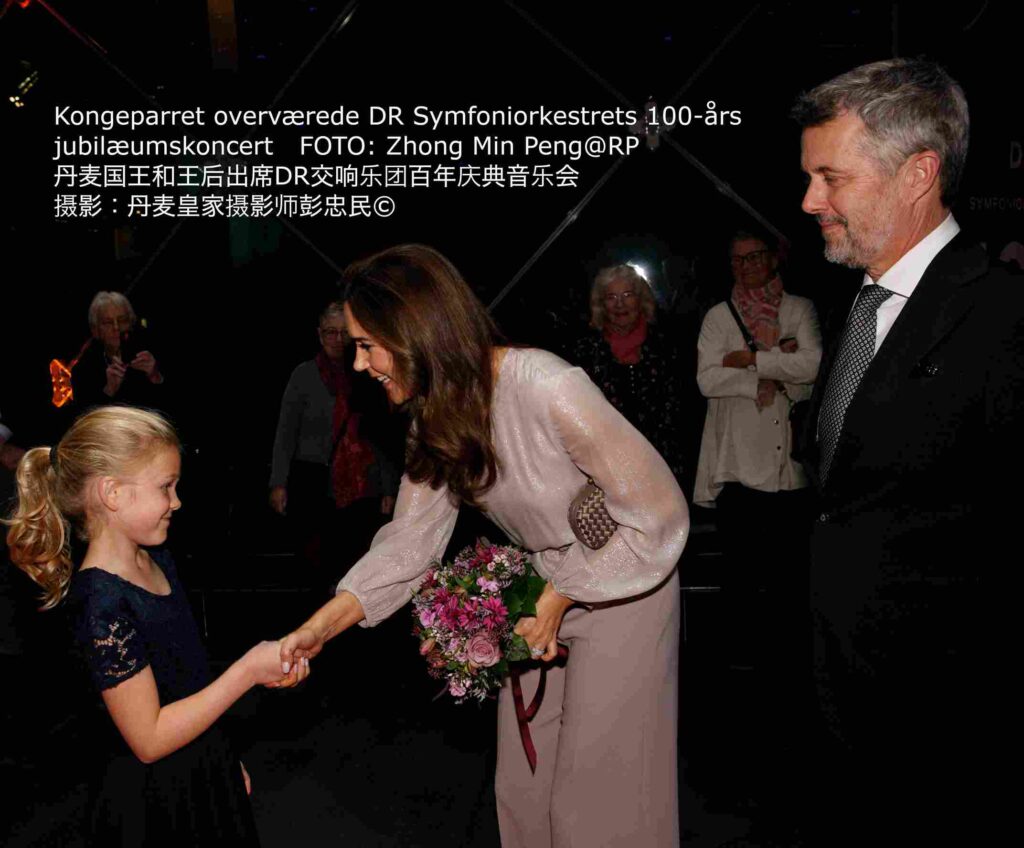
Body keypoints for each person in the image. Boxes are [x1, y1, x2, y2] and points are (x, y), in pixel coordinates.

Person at [276, 244, 689, 848]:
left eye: (366, 345)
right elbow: (410, 542)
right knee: (526, 782)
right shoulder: (434, 417)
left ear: (413, 329)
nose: (359, 364)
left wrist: (560, 593)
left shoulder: (546, 384)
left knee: (597, 794)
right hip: (540, 590)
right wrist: (320, 627)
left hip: (624, 581)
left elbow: (657, 510)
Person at [793, 58, 1024, 845]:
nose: (809, 201)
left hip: (946, 733)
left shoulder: (1003, 317)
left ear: (917, 174)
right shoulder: (858, 304)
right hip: (839, 704)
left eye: (831, 178)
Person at [4, 406, 305, 846]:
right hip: (157, 801)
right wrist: (246, 672)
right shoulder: (101, 604)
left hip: (200, 763)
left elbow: (188, 677)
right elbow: (148, 738)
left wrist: (222, 754)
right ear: (113, 493)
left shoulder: (157, 558)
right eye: (166, 486)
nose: (177, 502)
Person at [693, 232, 821, 666]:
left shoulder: (798, 309)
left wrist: (750, 360)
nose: (746, 266)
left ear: (772, 260)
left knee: (790, 577)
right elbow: (708, 379)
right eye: (738, 260)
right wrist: (770, 372)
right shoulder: (718, 317)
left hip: (788, 466)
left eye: (754, 257)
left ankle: (790, 662)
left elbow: (812, 366)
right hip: (738, 465)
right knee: (740, 575)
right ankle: (741, 663)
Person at [269, 301, 400, 577]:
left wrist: (389, 487)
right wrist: (278, 483)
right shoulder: (303, 375)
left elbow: (381, 435)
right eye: (331, 332)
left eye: (344, 333)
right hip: (313, 482)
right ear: (320, 334)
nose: (338, 340)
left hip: (363, 486)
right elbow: (285, 433)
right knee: (315, 562)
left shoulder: (367, 375)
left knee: (357, 560)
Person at [571, 264, 690, 486]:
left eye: (628, 295)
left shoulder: (666, 343)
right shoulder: (585, 349)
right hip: (606, 466)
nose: (620, 304)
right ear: (601, 304)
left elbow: (683, 409)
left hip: (663, 463)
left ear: (640, 299)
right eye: (611, 297)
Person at [74, 291, 167, 411]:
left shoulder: (152, 350)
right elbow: (84, 416)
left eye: (122, 320)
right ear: (95, 331)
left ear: (131, 324)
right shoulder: (85, 368)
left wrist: (155, 376)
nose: (116, 327)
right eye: (108, 322)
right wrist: (109, 390)